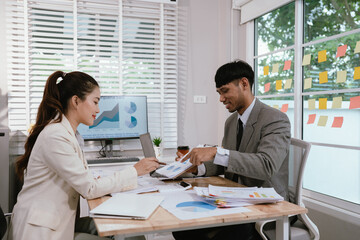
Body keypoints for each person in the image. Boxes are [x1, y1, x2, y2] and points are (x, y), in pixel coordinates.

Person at [8, 71, 160, 240]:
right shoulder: (56, 136)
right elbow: (89, 189)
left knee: (130, 230)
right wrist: (135, 171)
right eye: (95, 102)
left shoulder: (69, 133)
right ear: (75, 101)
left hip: (57, 221)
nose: (98, 109)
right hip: (40, 230)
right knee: (129, 232)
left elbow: (82, 179)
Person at [173, 60, 291, 240]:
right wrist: (197, 168)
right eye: (219, 93)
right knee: (182, 229)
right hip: (234, 201)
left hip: (265, 207)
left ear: (244, 84)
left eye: (225, 91)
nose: (221, 99)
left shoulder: (275, 119)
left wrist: (215, 152)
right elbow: (226, 162)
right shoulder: (231, 122)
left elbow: (267, 165)